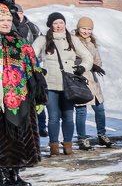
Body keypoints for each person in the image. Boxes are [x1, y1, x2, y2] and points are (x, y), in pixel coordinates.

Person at [33, 12, 92, 156]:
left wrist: (82, 67)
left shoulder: (72, 39)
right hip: (51, 84)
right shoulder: (43, 39)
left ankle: (68, 145)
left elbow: (87, 56)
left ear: (65, 24)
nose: (59, 26)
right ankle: (54, 147)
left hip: (69, 85)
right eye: (55, 23)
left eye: (61, 23)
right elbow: (30, 55)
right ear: (51, 25)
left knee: (68, 116)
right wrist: (38, 69)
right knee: (53, 117)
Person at [0, 1, 40, 186]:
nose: (6, 23)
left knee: (17, 138)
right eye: (1, 19)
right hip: (1, 98)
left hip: (20, 97)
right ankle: (1, 175)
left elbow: (32, 65)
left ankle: (14, 173)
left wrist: (37, 84)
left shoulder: (19, 40)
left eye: (8, 19)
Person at [72, 17, 113, 149]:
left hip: (93, 81)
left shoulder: (92, 43)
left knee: (100, 109)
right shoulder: (73, 41)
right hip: (80, 80)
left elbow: (97, 59)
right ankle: (82, 138)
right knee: (81, 110)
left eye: (89, 29)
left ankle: (102, 134)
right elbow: (72, 60)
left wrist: (97, 65)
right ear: (78, 28)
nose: (86, 31)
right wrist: (87, 65)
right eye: (83, 28)